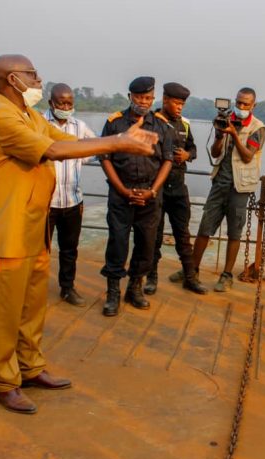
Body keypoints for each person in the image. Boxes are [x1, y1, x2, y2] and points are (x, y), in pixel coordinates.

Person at [0, 54, 157, 414]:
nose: (37, 79)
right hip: (11, 226)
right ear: (13, 79)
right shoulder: (1, 114)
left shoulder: (28, 115)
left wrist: (120, 138)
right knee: (6, 310)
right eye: (31, 74)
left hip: (35, 225)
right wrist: (119, 143)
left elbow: (65, 139)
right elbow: (55, 150)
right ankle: (5, 380)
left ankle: (30, 367)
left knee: (32, 305)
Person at [172, 87, 265, 292]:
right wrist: (220, 136)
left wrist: (234, 133)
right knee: (205, 227)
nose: (240, 107)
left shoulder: (258, 128)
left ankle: (226, 275)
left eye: (245, 104)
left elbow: (248, 156)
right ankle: (191, 270)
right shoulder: (225, 120)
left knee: (234, 233)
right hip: (220, 183)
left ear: (253, 106)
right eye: (238, 102)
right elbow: (215, 153)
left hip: (240, 188)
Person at [100, 76, 174, 315]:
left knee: (146, 244)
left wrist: (152, 191)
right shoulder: (114, 123)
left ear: (154, 99)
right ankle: (113, 292)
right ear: (130, 96)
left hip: (150, 194)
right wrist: (122, 189)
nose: (144, 102)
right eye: (140, 97)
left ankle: (135, 287)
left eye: (148, 98)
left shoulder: (162, 125)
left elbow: (168, 161)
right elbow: (105, 158)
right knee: (118, 242)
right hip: (122, 193)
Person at [145, 82, 206, 295]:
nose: (180, 107)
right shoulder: (151, 122)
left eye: (182, 104)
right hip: (158, 188)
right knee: (155, 236)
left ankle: (190, 277)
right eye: (176, 103)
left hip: (179, 189)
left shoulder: (184, 124)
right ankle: (151, 277)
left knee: (183, 235)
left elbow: (193, 148)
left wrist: (187, 155)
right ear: (165, 100)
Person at [44, 83, 96, 307]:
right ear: (50, 103)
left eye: (69, 103)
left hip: (72, 199)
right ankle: (33, 288)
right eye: (61, 103)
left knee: (69, 249)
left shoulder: (79, 126)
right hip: (45, 201)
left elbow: (93, 148)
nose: (65, 107)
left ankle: (67, 288)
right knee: (39, 250)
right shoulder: (39, 123)